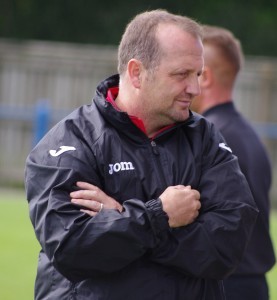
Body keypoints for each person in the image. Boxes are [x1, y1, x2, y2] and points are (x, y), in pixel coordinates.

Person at [25, 10, 258, 300]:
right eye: (181, 74)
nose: (195, 88)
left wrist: (122, 216)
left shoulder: (205, 139)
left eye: (197, 74)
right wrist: (159, 216)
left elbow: (227, 247)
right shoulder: (69, 144)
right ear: (137, 73)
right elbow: (70, 248)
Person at [190, 25, 276, 300]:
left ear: (206, 77)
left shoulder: (207, 137)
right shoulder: (250, 136)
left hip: (225, 286)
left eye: (191, 72)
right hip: (254, 286)